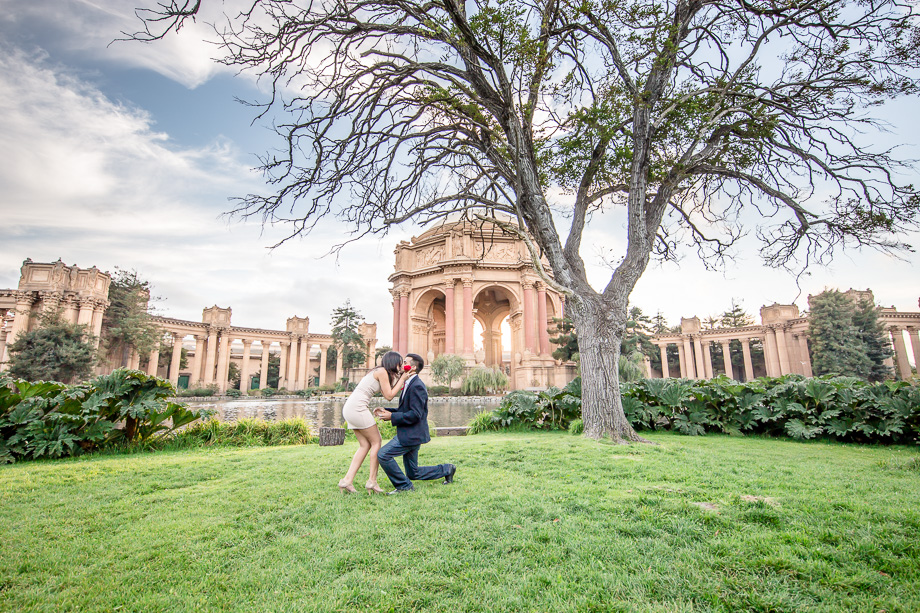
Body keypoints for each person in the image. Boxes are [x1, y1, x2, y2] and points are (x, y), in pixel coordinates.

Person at [374, 353, 456, 494]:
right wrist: (387, 411)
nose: (400, 365)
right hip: (412, 433)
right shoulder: (409, 383)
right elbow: (406, 410)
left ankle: (404, 486)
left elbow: (415, 415)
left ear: (411, 367)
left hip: (411, 435)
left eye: (404, 362)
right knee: (413, 472)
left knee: (383, 455)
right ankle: (447, 469)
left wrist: (392, 417)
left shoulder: (417, 385)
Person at [338, 351, 411, 494]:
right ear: (393, 362)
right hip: (358, 407)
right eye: (400, 363)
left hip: (350, 407)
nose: (402, 365)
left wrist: (400, 378)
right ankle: (372, 481)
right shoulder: (382, 371)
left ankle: (346, 481)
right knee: (377, 441)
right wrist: (403, 378)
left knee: (365, 445)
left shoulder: (379, 371)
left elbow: (387, 393)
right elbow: (390, 396)